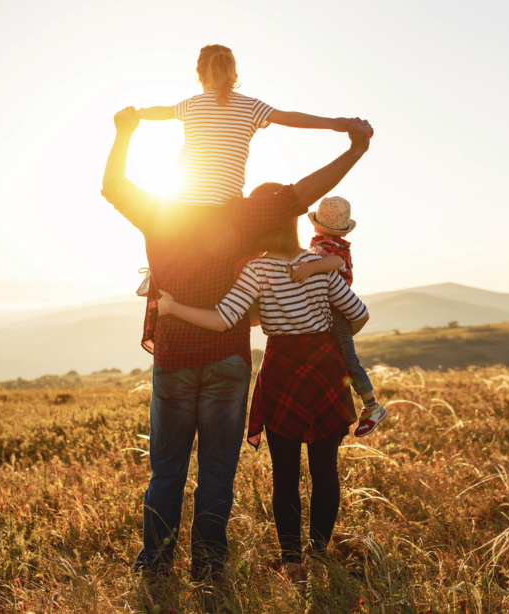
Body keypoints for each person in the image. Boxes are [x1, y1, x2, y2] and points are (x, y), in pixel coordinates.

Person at [100, 104, 373, 581]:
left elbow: (113, 187)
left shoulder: (159, 210)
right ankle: (208, 568)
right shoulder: (247, 215)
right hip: (228, 359)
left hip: (174, 357)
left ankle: (156, 566)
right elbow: (306, 192)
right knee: (217, 473)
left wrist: (124, 132)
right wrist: (355, 149)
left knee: (166, 472)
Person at [157, 206, 370, 576]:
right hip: (324, 368)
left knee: (285, 474)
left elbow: (223, 320)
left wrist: (174, 307)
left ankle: (291, 562)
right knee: (325, 470)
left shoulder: (256, 269)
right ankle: (318, 556)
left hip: (282, 370)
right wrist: (329, 341)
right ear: (292, 223)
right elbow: (360, 313)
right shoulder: (321, 262)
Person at [135, 43, 351, 207]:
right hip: (225, 205)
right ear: (235, 76)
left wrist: (135, 113)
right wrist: (333, 123)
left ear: (200, 76)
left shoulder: (191, 104)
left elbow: (161, 111)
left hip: (181, 201)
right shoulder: (251, 106)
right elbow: (290, 118)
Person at [289, 195, 387, 436]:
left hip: (335, 308)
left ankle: (372, 405)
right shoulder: (329, 243)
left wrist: (310, 267)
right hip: (333, 308)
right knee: (337, 358)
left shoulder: (329, 248)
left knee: (347, 358)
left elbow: (333, 262)